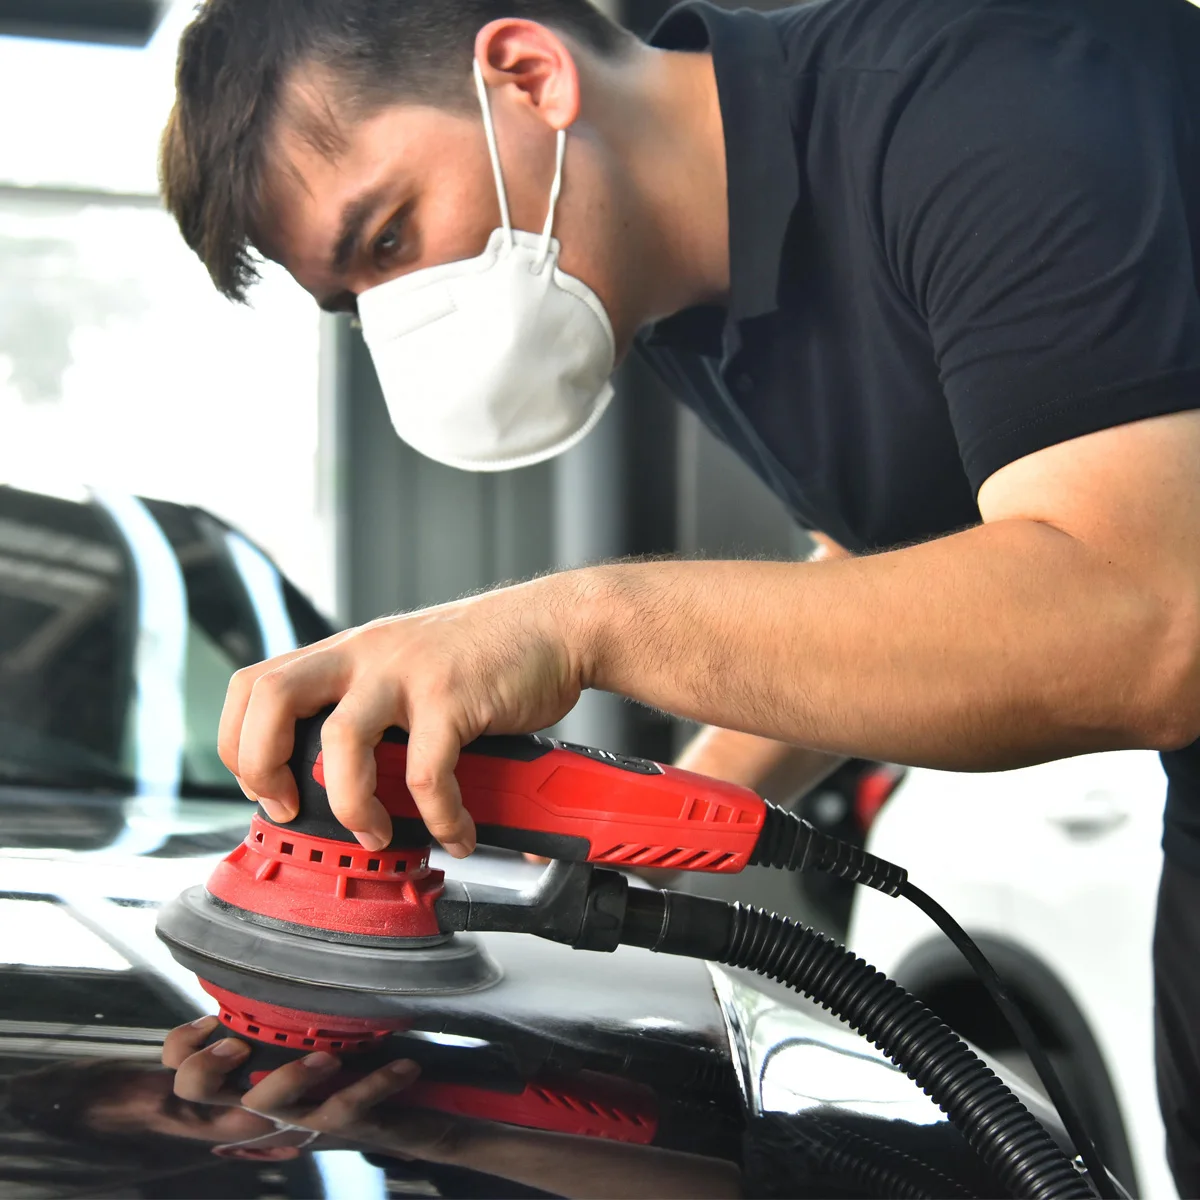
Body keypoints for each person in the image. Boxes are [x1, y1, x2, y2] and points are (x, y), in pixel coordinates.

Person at [159, 0, 1200, 1191]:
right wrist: (644, 844)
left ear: (529, 75)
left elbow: (1152, 620)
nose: (400, 317)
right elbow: (881, 566)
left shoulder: (991, 86)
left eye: (390, 236)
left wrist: (574, 621)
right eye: (356, 300)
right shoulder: (679, 304)